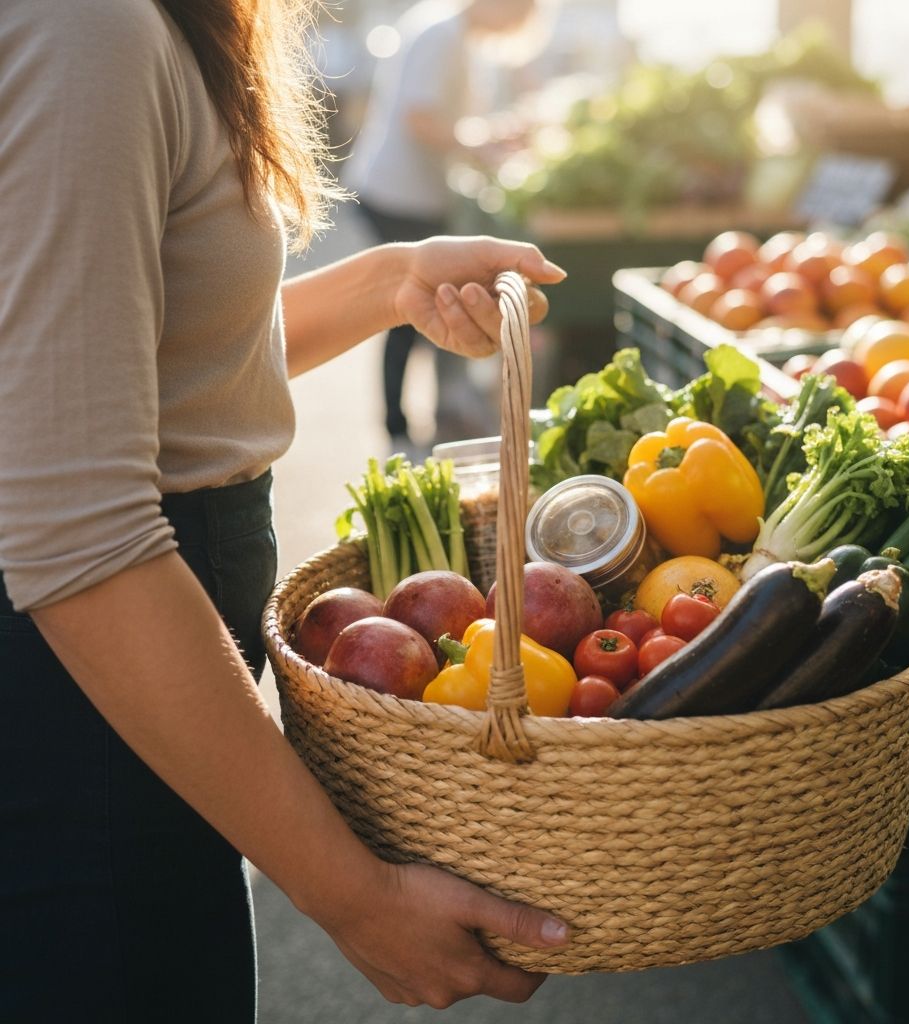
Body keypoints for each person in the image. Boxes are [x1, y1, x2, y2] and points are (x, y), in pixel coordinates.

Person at [0, 1, 569, 1021]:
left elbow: (165, 355)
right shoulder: (84, 27)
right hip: (83, 707)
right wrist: (355, 895)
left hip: (126, 695)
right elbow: (79, 542)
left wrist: (391, 278)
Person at [345, 0, 537, 454]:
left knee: (413, 310)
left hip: (413, 193)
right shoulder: (442, 34)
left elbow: (445, 119)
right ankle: (397, 429)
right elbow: (421, 120)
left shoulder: (453, 34)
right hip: (399, 193)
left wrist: (489, 138)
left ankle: (426, 417)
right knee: (405, 312)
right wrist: (483, 148)